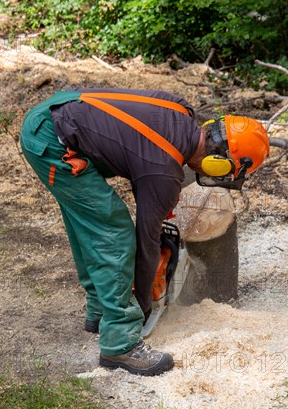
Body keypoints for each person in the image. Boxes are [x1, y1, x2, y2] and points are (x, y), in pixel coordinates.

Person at [20, 88, 269, 376]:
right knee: (113, 231)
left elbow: (143, 153)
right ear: (219, 161)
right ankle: (120, 344)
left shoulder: (181, 109)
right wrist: (142, 304)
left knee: (89, 219)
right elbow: (146, 239)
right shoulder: (162, 171)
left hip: (55, 112)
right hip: (52, 141)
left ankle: (100, 309)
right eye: (224, 171)